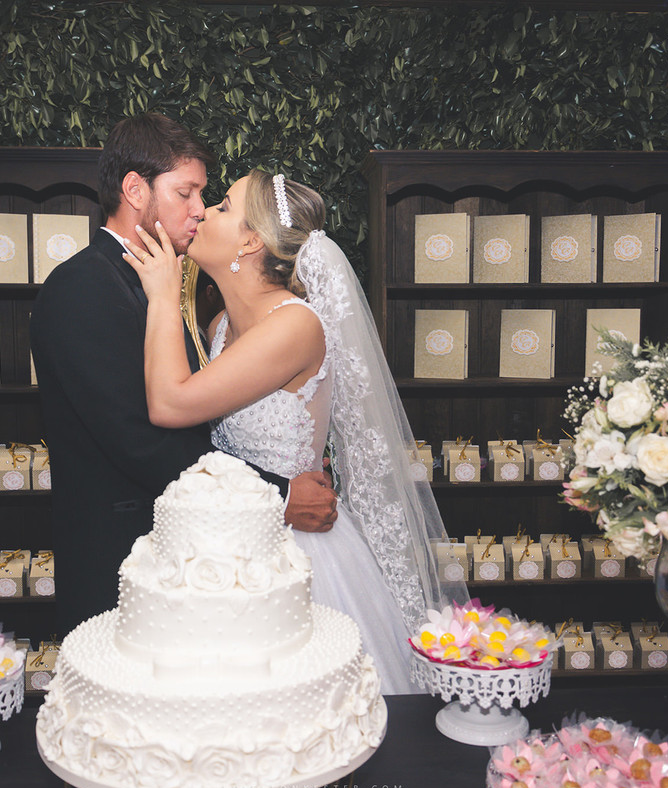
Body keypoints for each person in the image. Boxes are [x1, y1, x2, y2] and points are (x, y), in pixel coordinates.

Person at [122, 168, 469, 693]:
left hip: (295, 552)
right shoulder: (219, 328)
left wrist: (162, 296)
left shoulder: (294, 325)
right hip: (229, 540)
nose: (201, 213)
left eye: (220, 207)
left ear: (251, 239)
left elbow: (171, 404)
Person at [31, 116, 337, 636]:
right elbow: (142, 443)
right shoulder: (83, 288)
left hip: (205, 552)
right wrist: (280, 493)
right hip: (121, 557)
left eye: (209, 199)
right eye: (187, 192)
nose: (199, 209)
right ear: (135, 189)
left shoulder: (171, 287)